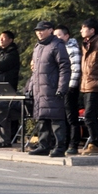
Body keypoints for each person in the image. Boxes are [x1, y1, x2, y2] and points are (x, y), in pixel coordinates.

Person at [27, 21, 71, 158]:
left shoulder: (57, 45)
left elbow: (65, 67)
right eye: (37, 30)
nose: (39, 32)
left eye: (42, 30)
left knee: (56, 119)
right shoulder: (37, 46)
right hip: (39, 89)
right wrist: (30, 87)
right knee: (42, 119)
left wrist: (62, 87)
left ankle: (59, 148)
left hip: (52, 88)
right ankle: (43, 146)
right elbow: (35, 71)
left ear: (50, 30)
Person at [79, 19, 98, 154]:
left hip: (96, 85)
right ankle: (96, 142)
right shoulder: (86, 44)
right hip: (86, 84)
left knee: (89, 115)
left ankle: (96, 143)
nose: (81, 31)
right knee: (89, 115)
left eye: (83, 28)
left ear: (92, 30)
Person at [53, 25, 82, 154]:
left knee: (71, 117)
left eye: (59, 35)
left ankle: (73, 145)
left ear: (66, 36)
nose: (56, 38)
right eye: (55, 35)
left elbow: (76, 69)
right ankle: (61, 144)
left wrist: (71, 86)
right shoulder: (57, 48)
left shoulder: (72, 49)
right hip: (60, 88)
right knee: (61, 117)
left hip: (70, 88)